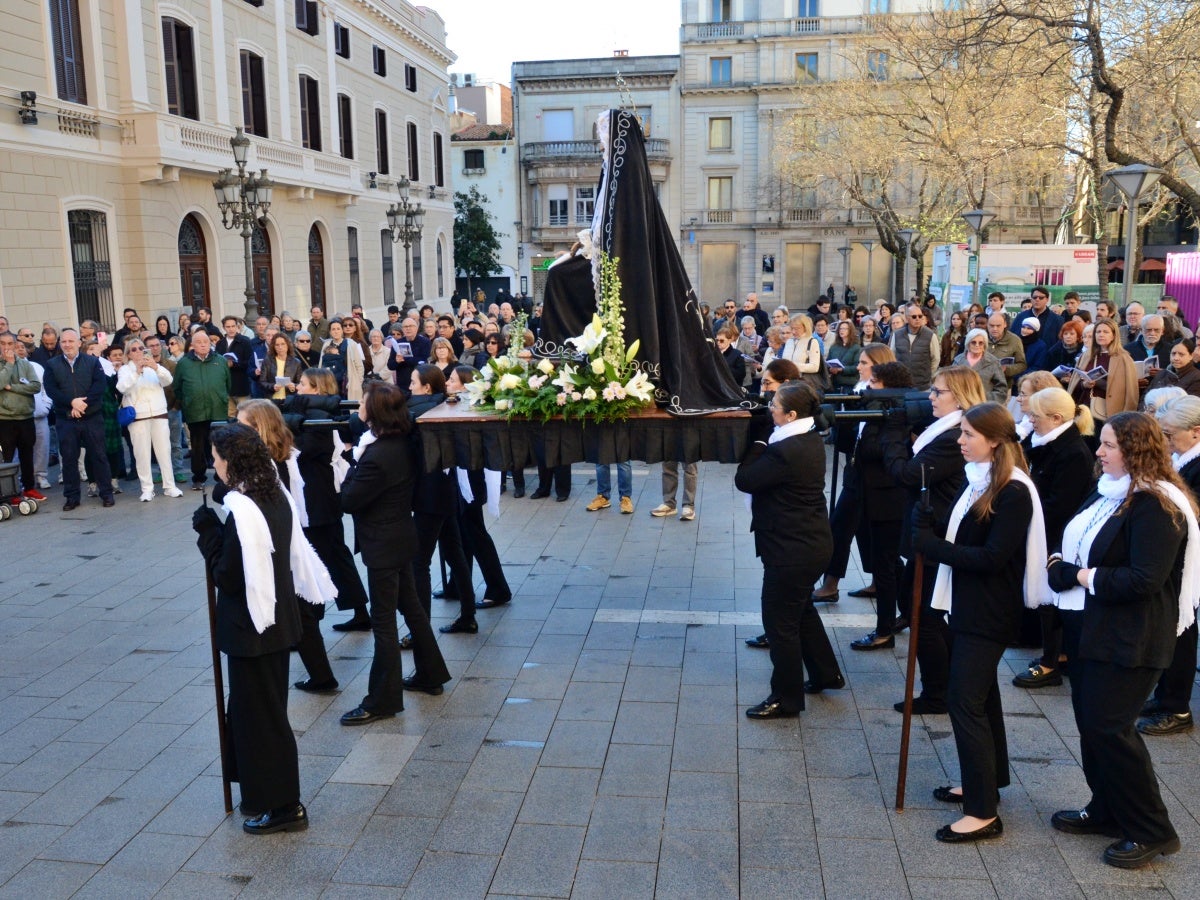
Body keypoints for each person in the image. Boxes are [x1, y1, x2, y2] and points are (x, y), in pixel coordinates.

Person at [1047, 412, 1198, 869]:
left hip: (1134, 636)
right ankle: (1107, 808)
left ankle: (1152, 830)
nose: (1099, 451)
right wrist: (1062, 561)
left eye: (1108, 444)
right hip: (1095, 628)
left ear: (1135, 451)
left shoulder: (1156, 503)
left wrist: (1078, 574)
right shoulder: (1112, 490)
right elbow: (1087, 540)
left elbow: (1143, 579)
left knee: (1112, 730)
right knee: (1093, 728)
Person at [912, 402, 1048, 843]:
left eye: (968, 434)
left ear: (993, 440)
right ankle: (986, 785)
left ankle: (983, 812)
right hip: (970, 605)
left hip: (990, 611)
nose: (960, 440)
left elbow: (992, 558)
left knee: (964, 700)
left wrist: (932, 546)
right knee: (982, 697)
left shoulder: (1013, 490)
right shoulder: (983, 481)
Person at [192, 423, 329, 834]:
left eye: (216, 458)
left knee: (264, 718)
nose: (213, 464)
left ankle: (286, 805)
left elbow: (229, 575)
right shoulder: (269, 492)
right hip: (274, 621)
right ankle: (259, 791)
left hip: (255, 627)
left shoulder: (245, 512)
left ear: (231, 462)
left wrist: (208, 533)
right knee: (255, 713)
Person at [735, 381, 843, 718]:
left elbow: (746, 479)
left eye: (775, 405)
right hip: (807, 545)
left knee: (780, 623)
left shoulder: (785, 449)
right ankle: (826, 673)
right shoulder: (805, 437)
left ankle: (786, 698)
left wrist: (756, 440)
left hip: (792, 551)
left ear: (791, 414)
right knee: (801, 611)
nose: (770, 408)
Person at [881, 366, 985, 714]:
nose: (931, 398)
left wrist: (893, 436)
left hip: (939, 534)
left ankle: (939, 693)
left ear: (959, 396)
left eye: (938, 392)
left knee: (924, 618)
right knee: (920, 612)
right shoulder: (945, 431)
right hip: (931, 530)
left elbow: (910, 474)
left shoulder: (954, 436)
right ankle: (946, 686)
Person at [338, 383, 432, 723]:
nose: (358, 406)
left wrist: (349, 466)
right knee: (413, 610)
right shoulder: (396, 442)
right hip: (399, 537)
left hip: (383, 544)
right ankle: (431, 673)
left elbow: (348, 500)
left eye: (363, 401)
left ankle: (382, 700)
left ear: (374, 410)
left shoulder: (377, 455)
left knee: (384, 624)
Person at [235, 400, 338, 693]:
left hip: (280, 540)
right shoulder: (280, 450)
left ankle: (321, 675)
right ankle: (321, 674)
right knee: (300, 610)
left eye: (242, 424)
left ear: (258, 427)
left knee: (298, 611)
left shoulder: (265, 459)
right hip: (288, 537)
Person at [1013, 388, 1095, 692]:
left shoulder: (1072, 451)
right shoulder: (1050, 443)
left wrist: (1021, 513)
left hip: (1055, 534)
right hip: (1044, 529)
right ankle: (1054, 655)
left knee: (1052, 598)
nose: (1029, 419)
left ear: (1056, 418)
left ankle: (1051, 662)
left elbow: (1060, 504)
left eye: (1035, 415)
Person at [282, 368, 372, 633]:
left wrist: (288, 426)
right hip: (319, 492)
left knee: (317, 556)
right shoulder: (313, 415)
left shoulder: (318, 418)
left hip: (317, 494)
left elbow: (303, 450)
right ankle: (358, 612)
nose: (298, 388)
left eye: (303, 384)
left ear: (318, 390)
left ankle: (311, 621)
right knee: (334, 554)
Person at [1140, 397, 1200, 735]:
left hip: (1189, 561)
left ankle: (1177, 707)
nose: (1164, 440)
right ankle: (1165, 696)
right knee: (1171, 628)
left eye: (1169, 433)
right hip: (1176, 557)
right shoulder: (1183, 457)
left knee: (1182, 631)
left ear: (1196, 432)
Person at [849, 361, 914, 653]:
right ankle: (908, 613)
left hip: (888, 498)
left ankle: (884, 630)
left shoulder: (896, 412)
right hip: (873, 494)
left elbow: (884, 450)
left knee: (885, 565)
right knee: (889, 563)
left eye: (873, 381)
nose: (868, 386)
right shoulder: (881, 407)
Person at [408, 365, 478, 637]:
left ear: (426, 388)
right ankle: (468, 615)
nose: (409, 387)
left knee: (419, 562)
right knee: (454, 554)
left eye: (413, 383)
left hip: (430, 493)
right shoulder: (443, 405)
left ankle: (420, 631)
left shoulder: (427, 409)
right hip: (444, 489)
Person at [444, 366, 514, 610]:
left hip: (471, 478)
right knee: (463, 533)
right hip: (464, 476)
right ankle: (458, 584)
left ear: (465, 385)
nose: (447, 383)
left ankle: (498, 588)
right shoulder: (456, 403)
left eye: (452, 380)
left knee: (474, 532)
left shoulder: (471, 405)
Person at [42, 328, 114, 510]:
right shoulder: (52, 365)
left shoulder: (92, 362)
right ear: (60, 344)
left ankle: (106, 493)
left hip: (92, 417)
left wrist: (83, 404)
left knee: (99, 456)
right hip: (66, 419)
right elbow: (51, 390)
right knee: (68, 459)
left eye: (71, 341)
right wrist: (71, 403)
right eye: (64, 341)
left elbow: (99, 386)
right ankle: (72, 497)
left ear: (79, 343)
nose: (67, 345)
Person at [116, 339, 183, 502]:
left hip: (159, 414)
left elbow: (168, 380)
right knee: (142, 454)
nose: (138, 351)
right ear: (128, 354)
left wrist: (156, 367)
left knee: (164, 451)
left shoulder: (154, 366)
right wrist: (136, 372)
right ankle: (147, 488)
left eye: (141, 348)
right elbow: (121, 387)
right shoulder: (125, 369)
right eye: (134, 349)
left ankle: (170, 486)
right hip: (138, 417)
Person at [173, 330, 230, 491]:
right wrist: (188, 401)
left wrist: (221, 397)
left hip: (217, 409)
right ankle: (198, 477)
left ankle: (222, 476)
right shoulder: (184, 363)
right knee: (197, 446)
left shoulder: (220, 361)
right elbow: (177, 388)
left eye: (206, 341)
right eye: (199, 342)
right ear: (192, 345)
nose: (204, 344)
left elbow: (228, 384)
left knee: (220, 445)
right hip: (195, 411)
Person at [0, 332, 44, 503]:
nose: (7, 347)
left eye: (10, 344)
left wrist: (12, 388)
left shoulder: (25, 364)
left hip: (25, 416)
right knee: (7, 457)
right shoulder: (7, 363)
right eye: (3, 343)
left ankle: (29, 488)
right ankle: (8, 492)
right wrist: (9, 365)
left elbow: (35, 386)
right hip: (5, 419)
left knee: (27, 454)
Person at [1068, 319, 1137, 425]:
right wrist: (1084, 385)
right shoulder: (1087, 355)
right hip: (1084, 408)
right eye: (1098, 332)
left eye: (1106, 332)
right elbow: (1074, 384)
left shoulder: (1123, 358)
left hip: (1109, 411)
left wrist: (1098, 382)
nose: (1101, 335)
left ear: (1114, 335)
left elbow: (1130, 391)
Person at [889, 304, 940, 391]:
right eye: (914, 316)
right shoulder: (897, 335)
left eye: (920, 316)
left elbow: (936, 359)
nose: (917, 319)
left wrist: (927, 375)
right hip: (901, 385)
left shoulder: (930, 335)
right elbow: (891, 356)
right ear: (907, 318)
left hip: (923, 386)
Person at [955, 329, 1008, 404]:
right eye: (973, 342)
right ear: (968, 344)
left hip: (983, 406)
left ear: (984, 345)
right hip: (960, 404)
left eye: (981, 343)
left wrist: (986, 400)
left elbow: (1001, 389)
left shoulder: (993, 362)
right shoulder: (958, 360)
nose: (977, 345)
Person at [217, 316, 255, 416]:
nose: (231, 329)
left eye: (233, 326)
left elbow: (250, 363)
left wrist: (234, 364)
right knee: (230, 416)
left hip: (241, 385)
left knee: (245, 415)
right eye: (228, 327)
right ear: (224, 328)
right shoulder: (220, 343)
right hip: (226, 386)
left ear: (237, 327)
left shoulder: (245, 341)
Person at [258, 333, 303, 400]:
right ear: (273, 346)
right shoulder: (267, 361)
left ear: (288, 345)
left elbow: (301, 383)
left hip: (289, 400)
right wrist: (273, 386)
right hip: (272, 399)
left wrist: (294, 386)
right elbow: (262, 382)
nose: (280, 347)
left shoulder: (296, 362)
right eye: (277, 345)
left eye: (283, 344)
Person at [826, 321, 862, 392]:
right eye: (840, 329)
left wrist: (841, 369)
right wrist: (830, 369)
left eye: (845, 329)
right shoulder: (834, 347)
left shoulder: (856, 347)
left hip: (849, 384)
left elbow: (857, 367)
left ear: (850, 331)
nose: (842, 331)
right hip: (835, 383)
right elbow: (828, 362)